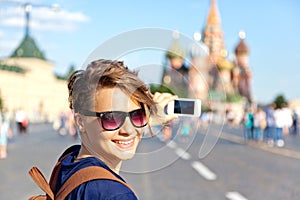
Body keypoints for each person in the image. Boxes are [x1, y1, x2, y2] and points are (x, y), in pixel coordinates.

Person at [52, 59, 178, 199]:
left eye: (137, 115)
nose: (128, 130)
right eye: (111, 118)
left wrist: (146, 119)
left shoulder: (69, 161)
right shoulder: (114, 194)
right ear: (80, 121)